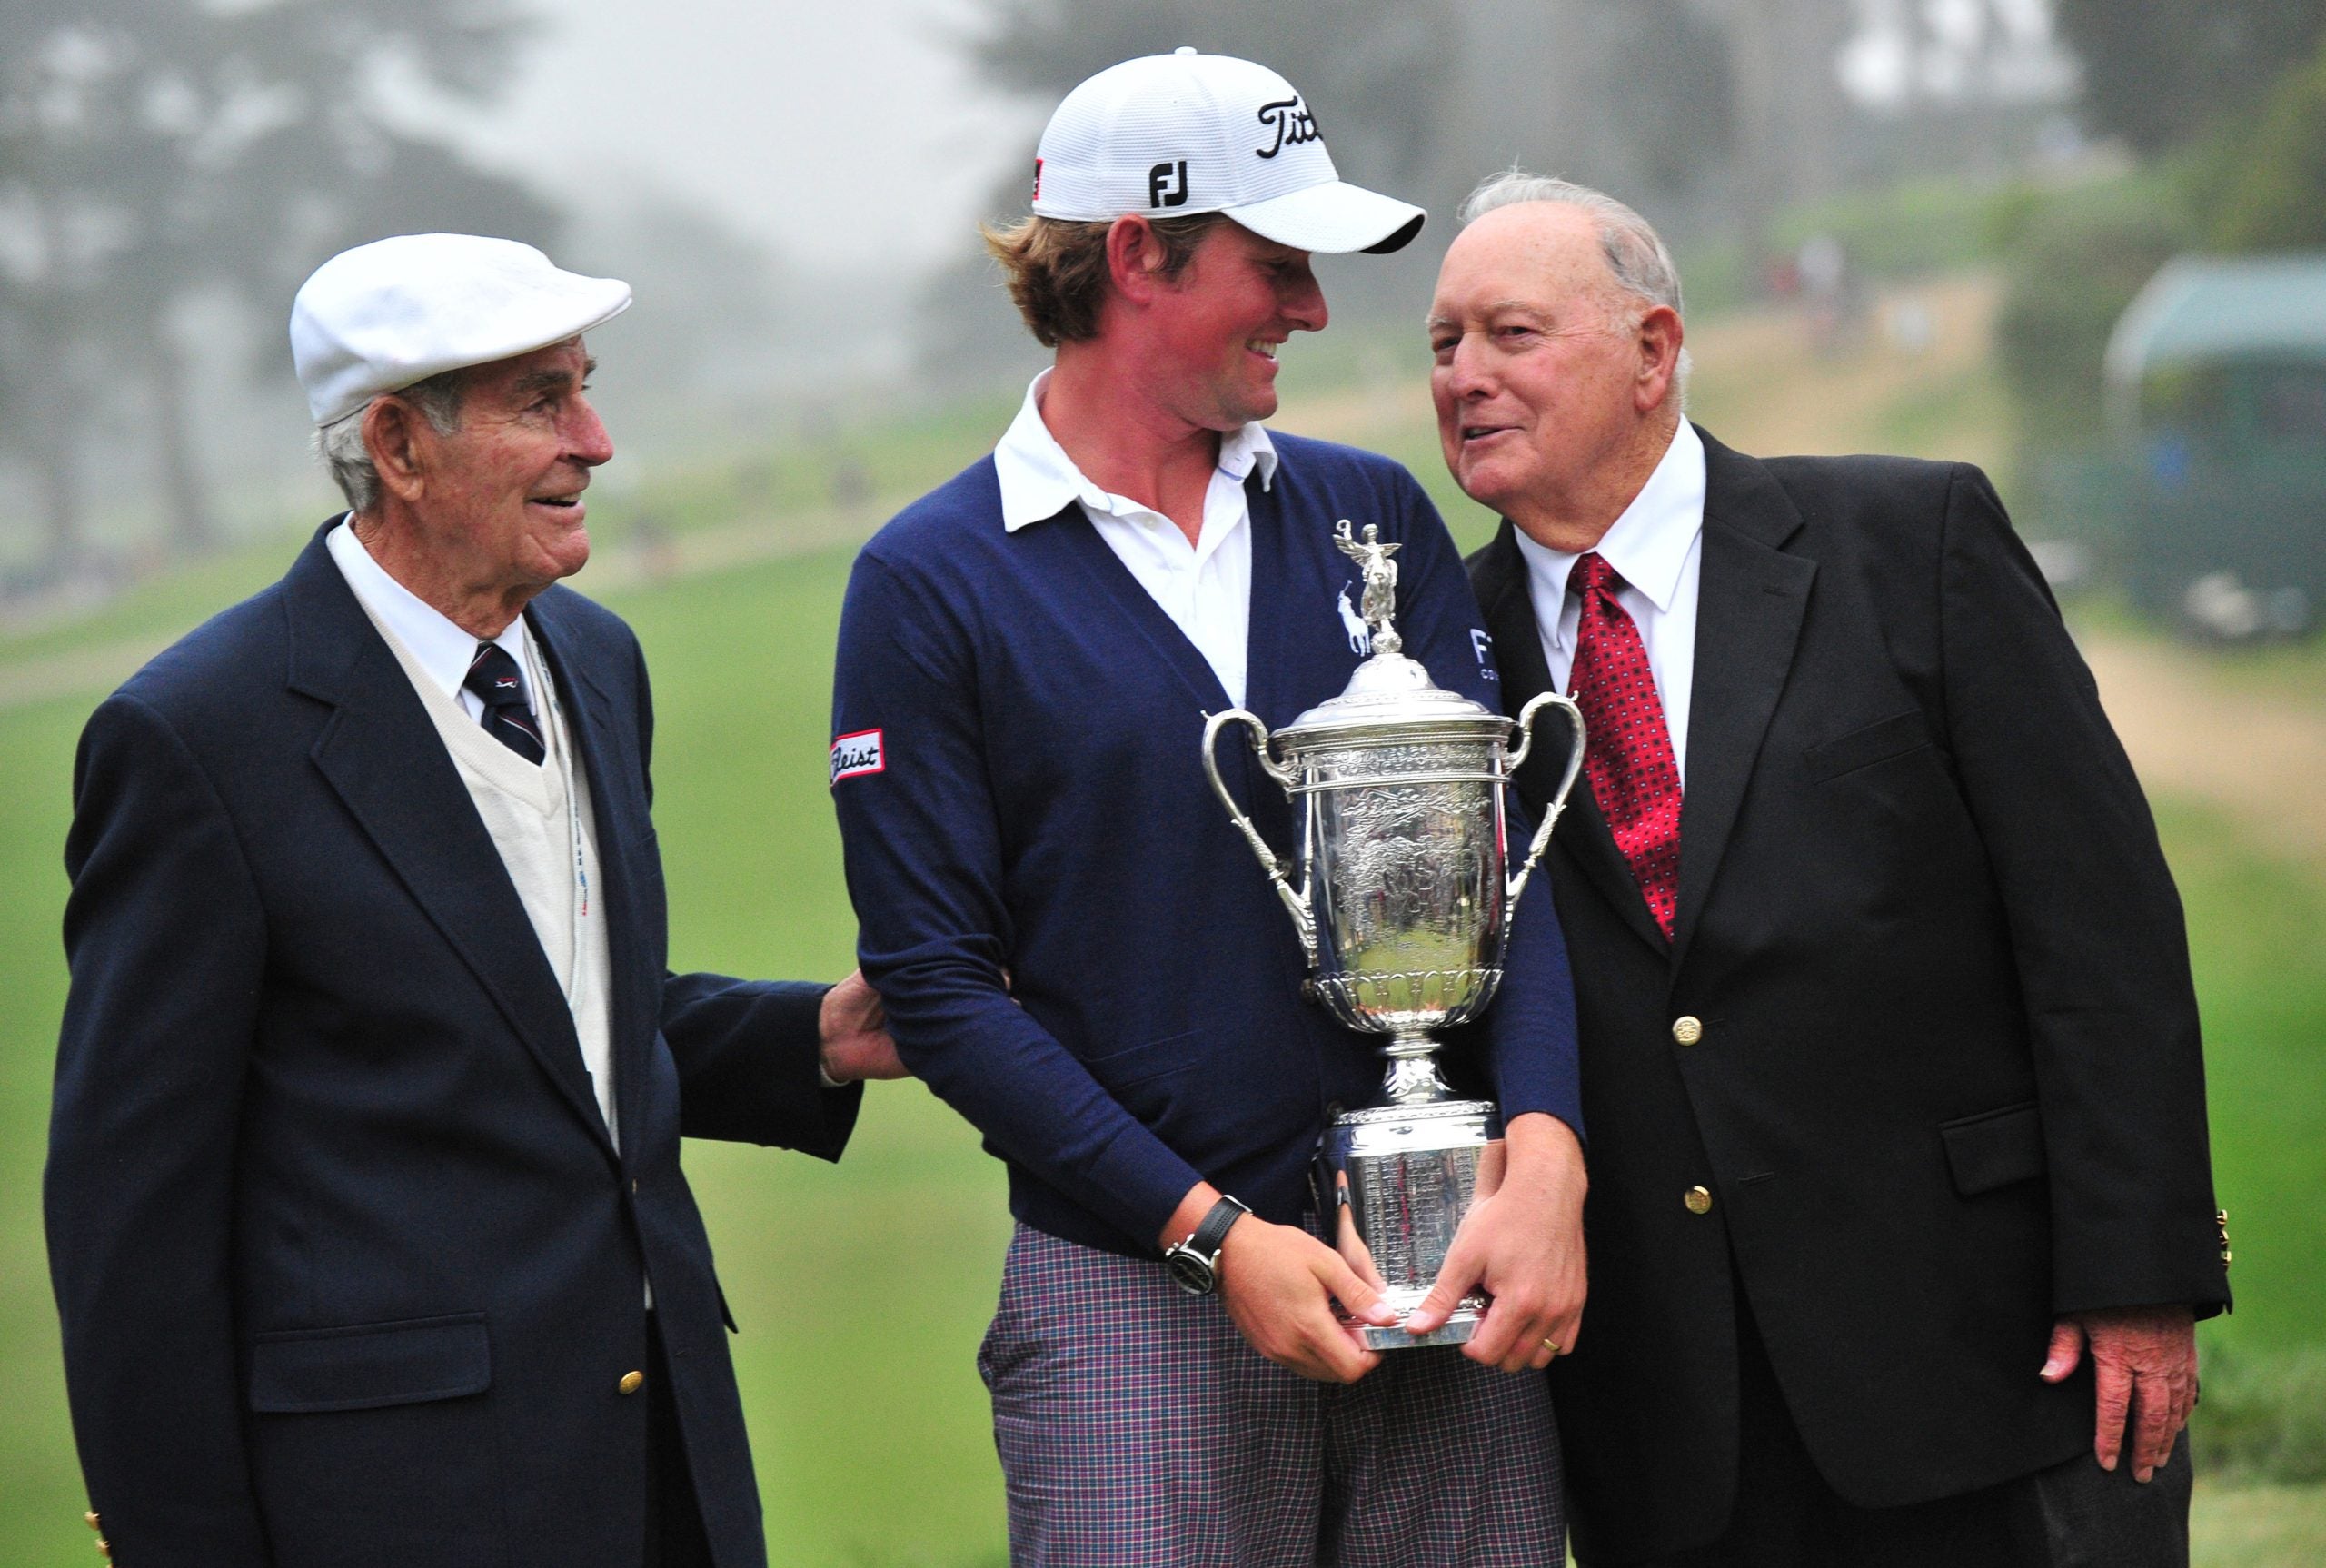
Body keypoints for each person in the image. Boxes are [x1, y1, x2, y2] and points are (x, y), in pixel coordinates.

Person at [830, 51, 1585, 1567]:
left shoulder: (1371, 515)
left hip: (1440, 1253)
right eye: (1276, 264)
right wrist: (1211, 1237)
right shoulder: (928, 585)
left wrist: (1551, 1148)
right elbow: (936, 985)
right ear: (1134, 257)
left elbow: (1510, 877)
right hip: (1131, 1288)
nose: (1310, 309)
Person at [45, 233, 902, 1568]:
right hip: (400, 1508)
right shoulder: (193, 739)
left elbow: (542, 1024)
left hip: (668, 1473)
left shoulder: (601, 662)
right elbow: (129, 1221)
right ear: (397, 445)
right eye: (542, 402)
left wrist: (812, 1037)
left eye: (586, 386)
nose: (600, 441)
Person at [1437, 173, 2231, 1566]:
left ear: (1653, 352)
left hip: (1993, 1369)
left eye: (1512, 333)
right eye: (1444, 344)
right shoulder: (1444, 663)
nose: (1467, 377)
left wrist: (2143, 1278)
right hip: (1674, 1433)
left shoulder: (1909, 543)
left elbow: (2099, 930)